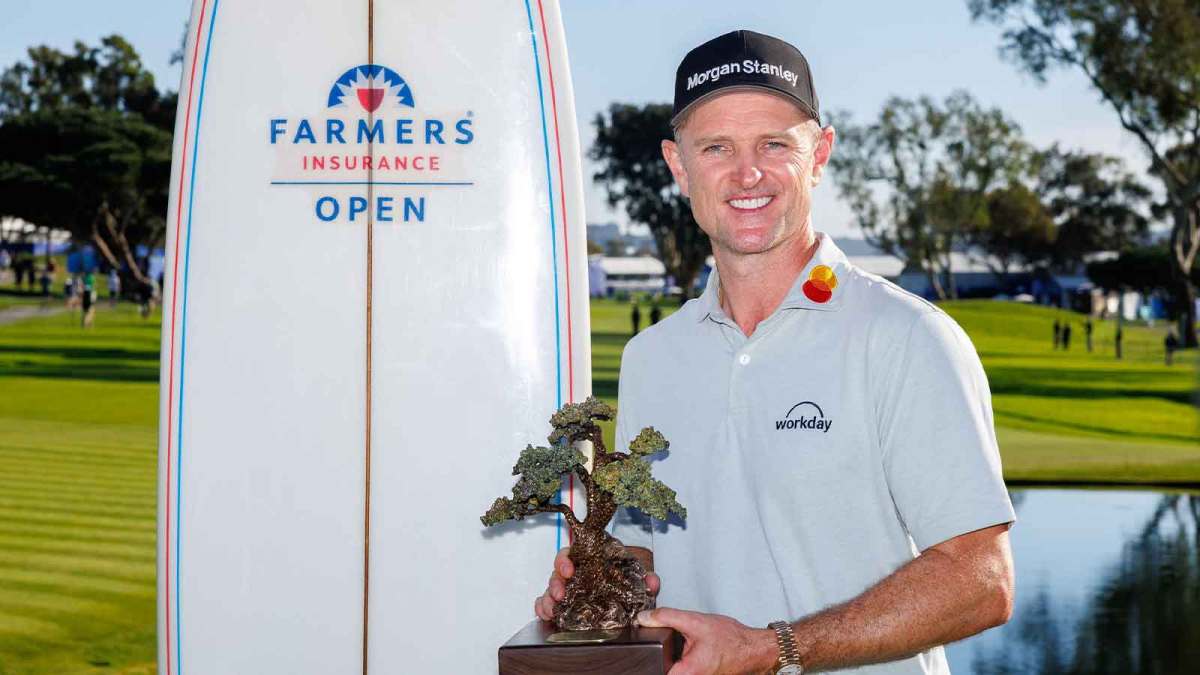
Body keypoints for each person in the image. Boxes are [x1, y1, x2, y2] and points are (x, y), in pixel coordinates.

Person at [537, 31, 1014, 674]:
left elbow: (980, 580)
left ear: (819, 154)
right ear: (678, 166)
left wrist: (773, 649)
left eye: (774, 144)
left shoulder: (906, 337)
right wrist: (602, 575)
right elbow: (655, 551)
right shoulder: (652, 356)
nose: (747, 174)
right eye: (716, 148)